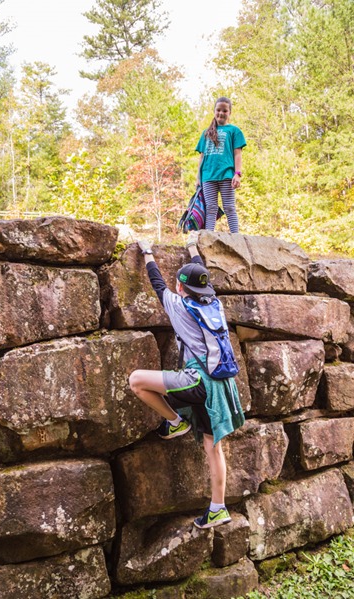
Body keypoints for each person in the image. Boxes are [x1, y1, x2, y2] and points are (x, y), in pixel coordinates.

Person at [129, 232, 245, 529]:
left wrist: (147, 251)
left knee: (137, 380)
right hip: (224, 386)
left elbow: (157, 284)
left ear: (181, 287)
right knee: (213, 447)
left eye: (179, 283)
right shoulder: (214, 303)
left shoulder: (179, 306)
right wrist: (193, 248)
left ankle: (175, 421)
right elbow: (200, 274)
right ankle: (218, 508)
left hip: (199, 382)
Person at [195, 97, 246, 233]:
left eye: (225, 110)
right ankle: (208, 236)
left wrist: (237, 174)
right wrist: (198, 178)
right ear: (214, 111)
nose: (221, 113)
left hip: (226, 175)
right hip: (208, 176)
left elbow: (237, 154)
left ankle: (236, 237)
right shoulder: (206, 133)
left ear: (229, 113)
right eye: (218, 110)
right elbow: (202, 157)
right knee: (210, 208)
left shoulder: (234, 131)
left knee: (229, 207)